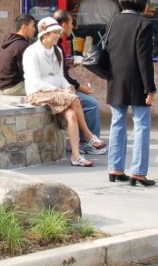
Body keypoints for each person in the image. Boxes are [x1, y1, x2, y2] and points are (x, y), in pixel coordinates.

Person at [22, 17, 105, 167]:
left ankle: (76, 156)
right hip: (37, 93)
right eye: (54, 32)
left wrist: (67, 87)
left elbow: (60, 76)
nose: (57, 35)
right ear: (44, 34)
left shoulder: (57, 51)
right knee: (75, 99)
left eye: (58, 32)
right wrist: (59, 90)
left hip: (56, 93)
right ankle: (88, 135)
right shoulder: (31, 52)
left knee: (71, 114)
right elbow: (35, 80)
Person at [105, 0, 157, 186]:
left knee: (117, 122)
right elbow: (144, 59)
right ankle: (138, 172)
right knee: (141, 125)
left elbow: (108, 50)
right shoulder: (143, 24)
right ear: (141, 3)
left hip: (115, 79)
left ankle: (115, 169)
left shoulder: (113, 22)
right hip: (137, 81)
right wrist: (150, 88)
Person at [52, 9, 107, 155]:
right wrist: (79, 87)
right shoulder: (53, 46)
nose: (73, 27)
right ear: (64, 25)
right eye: (71, 24)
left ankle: (88, 139)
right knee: (91, 103)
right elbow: (60, 75)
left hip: (59, 85)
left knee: (86, 101)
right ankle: (86, 142)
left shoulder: (57, 45)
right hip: (52, 88)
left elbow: (60, 72)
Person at [0, 13, 36, 96]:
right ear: (24, 27)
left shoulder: (8, 42)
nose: (34, 29)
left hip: (1, 87)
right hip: (14, 87)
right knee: (48, 90)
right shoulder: (22, 45)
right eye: (32, 26)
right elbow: (27, 72)